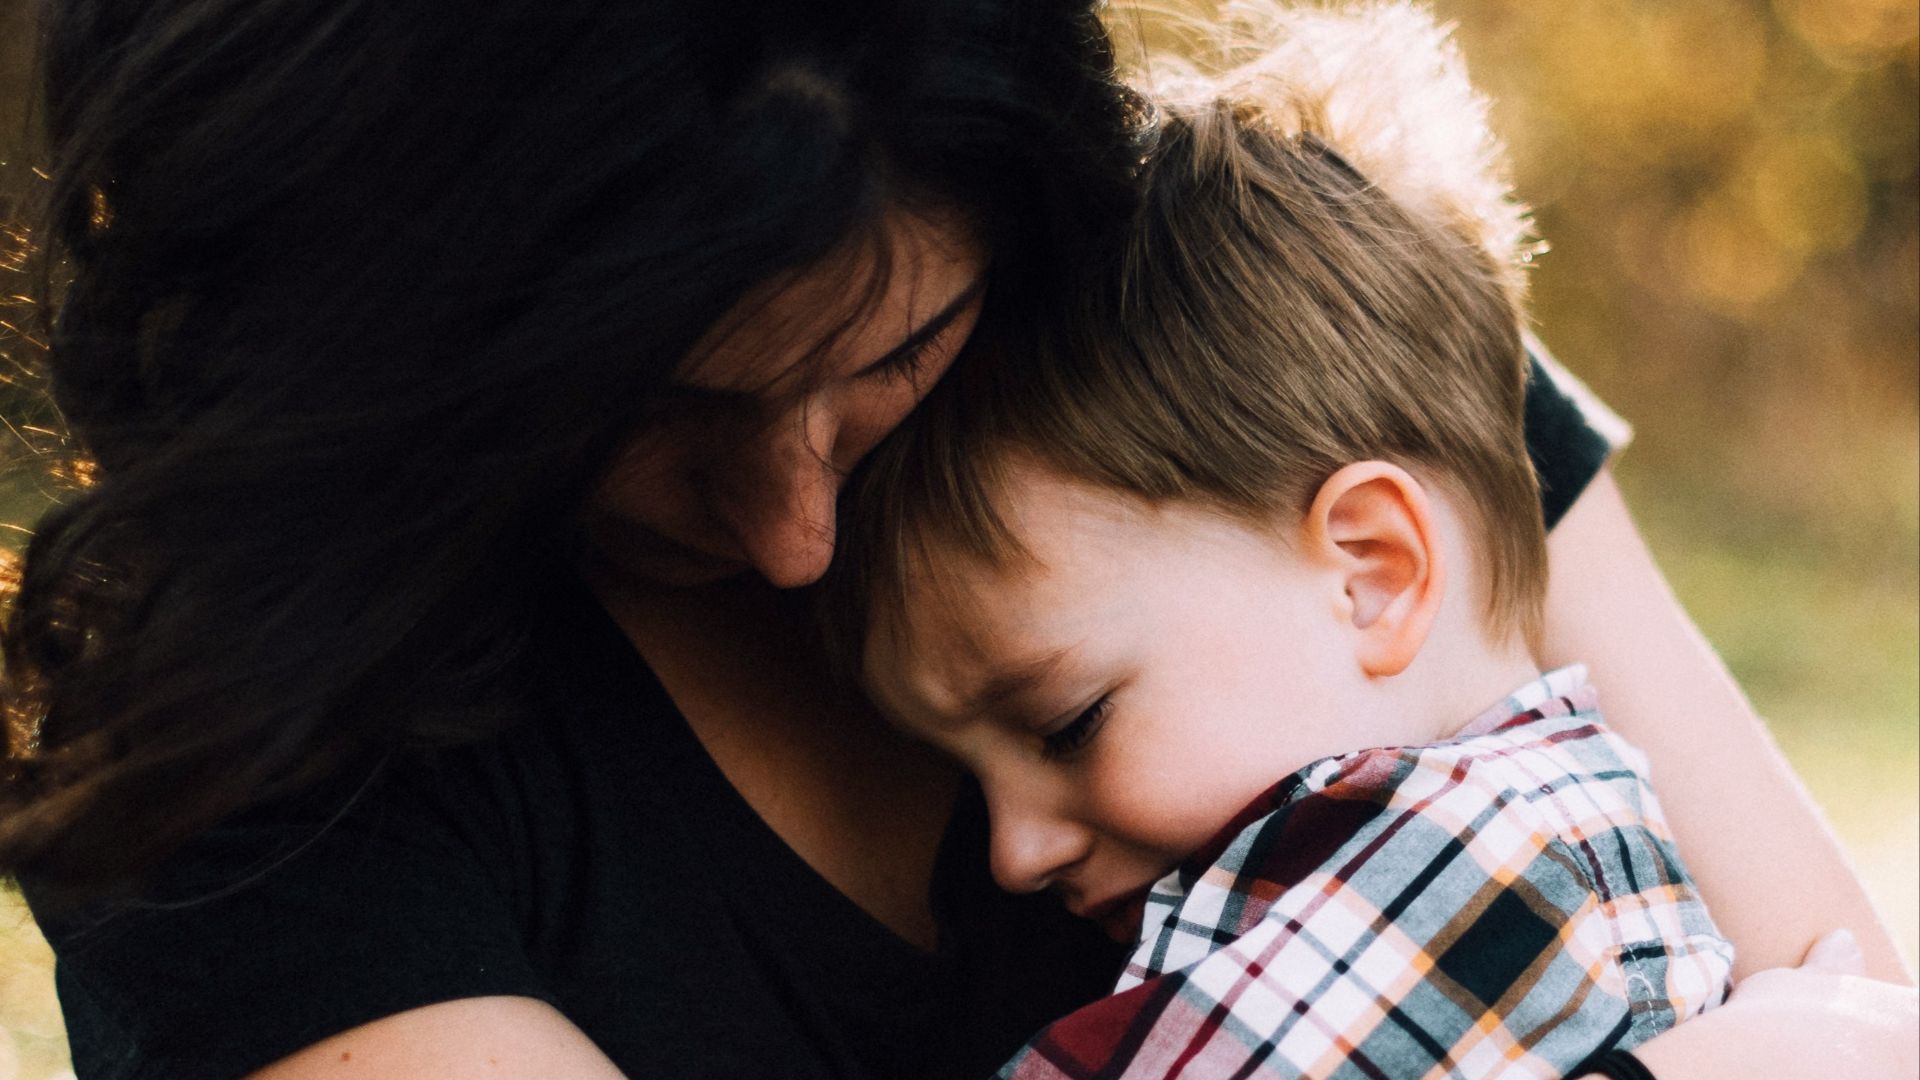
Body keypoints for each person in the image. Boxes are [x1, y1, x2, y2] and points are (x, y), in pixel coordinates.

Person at [0, 1, 1907, 1078]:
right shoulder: (267, 777)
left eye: (892, 359)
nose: (796, 535)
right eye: (639, 418)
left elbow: (1844, 1010)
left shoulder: (1262, 357)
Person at [824, 10, 1734, 1073]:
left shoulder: (1457, 878)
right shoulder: (1556, 827)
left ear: (1372, 572)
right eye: (965, 776)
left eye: (1069, 725)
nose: (1012, 852)